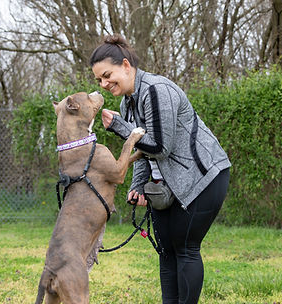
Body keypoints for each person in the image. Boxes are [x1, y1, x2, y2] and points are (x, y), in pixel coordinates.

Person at [89, 34, 231, 304]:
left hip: (203, 178)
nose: (104, 84)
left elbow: (160, 146)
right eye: (99, 80)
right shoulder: (126, 103)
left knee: (185, 248)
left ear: (126, 65)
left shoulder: (156, 89)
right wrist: (137, 186)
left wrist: (121, 128)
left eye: (107, 75)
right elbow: (143, 154)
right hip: (167, 185)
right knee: (166, 250)